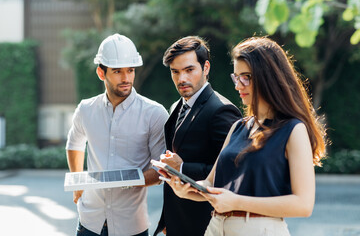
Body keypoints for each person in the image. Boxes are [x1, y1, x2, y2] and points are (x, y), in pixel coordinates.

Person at [166, 36, 327, 236]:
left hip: (259, 229)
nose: (238, 86)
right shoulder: (238, 127)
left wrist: (236, 202)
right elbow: (210, 184)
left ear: (269, 77)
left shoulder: (293, 130)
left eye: (246, 77)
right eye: (236, 77)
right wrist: (187, 189)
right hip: (216, 227)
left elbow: (303, 205)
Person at [66, 34, 169, 236]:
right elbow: (74, 144)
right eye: (117, 71)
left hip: (132, 225)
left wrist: (124, 180)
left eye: (130, 70)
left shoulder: (155, 114)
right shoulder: (86, 109)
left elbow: (161, 170)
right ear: (101, 73)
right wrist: (77, 185)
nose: (126, 78)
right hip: (89, 222)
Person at [154, 36, 242, 236]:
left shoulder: (222, 110)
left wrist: (182, 168)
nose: (181, 79)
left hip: (206, 225)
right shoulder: (177, 105)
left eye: (189, 70)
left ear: (206, 67)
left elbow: (232, 174)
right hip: (177, 224)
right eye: (175, 72)